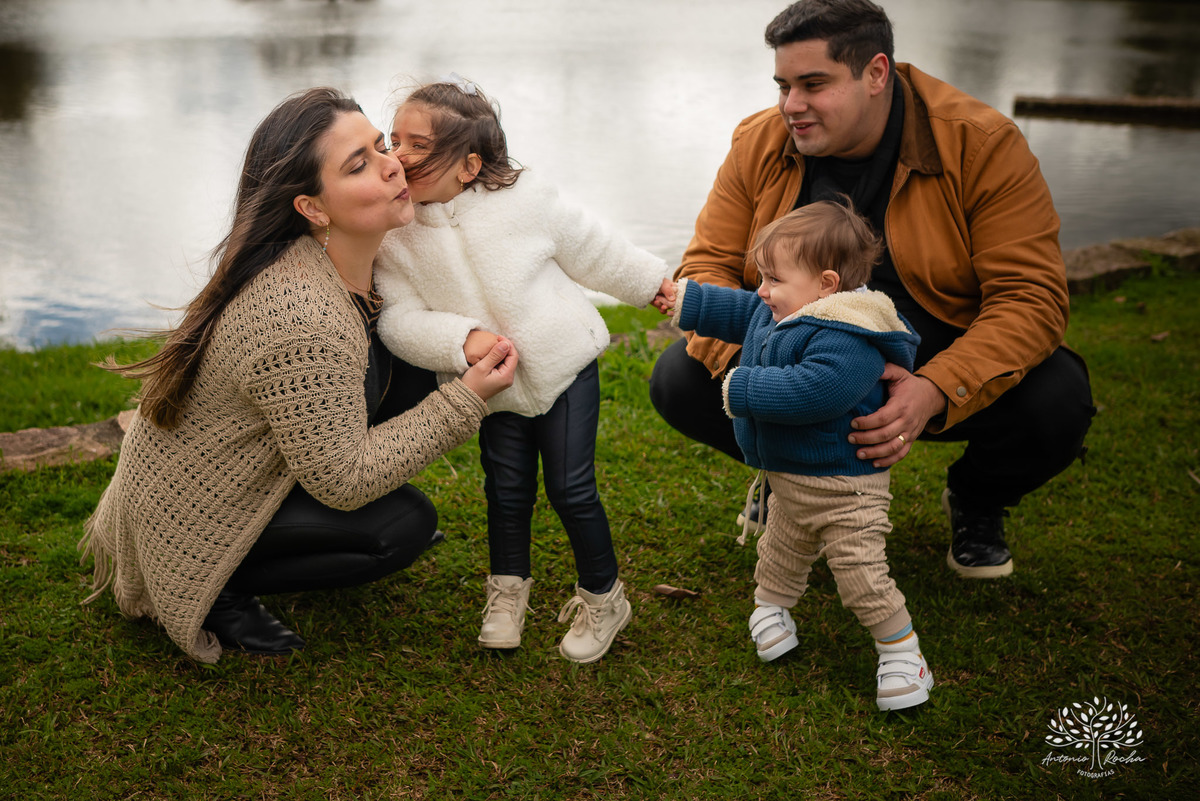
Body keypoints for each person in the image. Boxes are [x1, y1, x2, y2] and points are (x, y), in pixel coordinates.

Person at [649, 0, 1095, 579]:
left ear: (876, 73)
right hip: (798, 348)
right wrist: (769, 370)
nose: (791, 106)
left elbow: (1031, 298)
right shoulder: (760, 140)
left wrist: (937, 388)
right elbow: (708, 264)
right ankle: (794, 481)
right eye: (784, 85)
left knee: (1058, 399)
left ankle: (977, 499)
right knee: (679, 378)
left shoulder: (983, 144)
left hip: (930, 346)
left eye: (814, 84)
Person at [78, 87, 519, 664]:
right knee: (401, 526)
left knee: (413, 361)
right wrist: (466, 399)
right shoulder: (300, 316)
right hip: (190, 517)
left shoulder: (349, 256)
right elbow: (345, 479)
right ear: (312, 208)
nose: (394, 165)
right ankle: (220, 593)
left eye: (381, 145)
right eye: (359, 164)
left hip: (257, 466)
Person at [374, 75, 675, 664]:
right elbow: (398, 320)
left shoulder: (525, 200)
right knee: (506, 492)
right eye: (393, 140)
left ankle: (603, 596)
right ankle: (507, 594)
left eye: (416, 144)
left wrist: (649, 283)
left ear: (469, 165)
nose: (398, 156)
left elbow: (591, 247)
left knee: (570, 489)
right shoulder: (397, 236)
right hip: (493, 388)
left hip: (564, 368)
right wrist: (461, 341)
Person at [667, 200, 931, 711]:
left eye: (773, 279)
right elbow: (739, 310)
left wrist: (739, 386)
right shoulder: (786, 309)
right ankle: (772, 608)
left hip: (845, 488)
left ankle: (902, 652)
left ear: (827, 283)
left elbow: (818, 391)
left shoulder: (851, 336)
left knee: (861, 576)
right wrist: (683, 300)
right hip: (789, 480)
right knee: (780, 555)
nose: (762, 290)